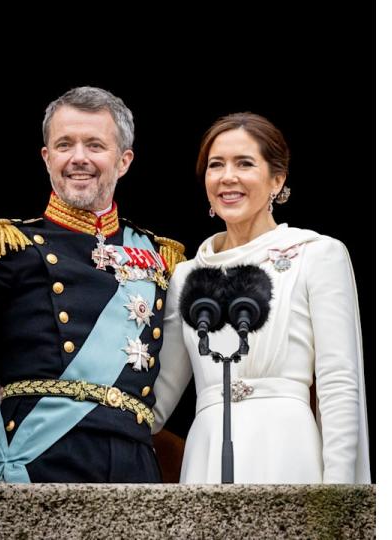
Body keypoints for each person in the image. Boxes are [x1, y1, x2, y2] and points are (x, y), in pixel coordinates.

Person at [0, 86, 186, 483]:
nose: (78, 157)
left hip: (135, 464)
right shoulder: (8, 246)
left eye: (95, 145)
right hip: (41, 459)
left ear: (123, 161)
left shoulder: (162, 257)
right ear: (47, 158)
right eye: (64, 144)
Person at [152, 112, 370, 484]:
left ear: (277, 179)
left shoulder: (317, 254)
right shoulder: (186, 274)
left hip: (287, 446)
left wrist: (341, 495)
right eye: (215, 165)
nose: (227, 177)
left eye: (245, 164)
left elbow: (339, 383)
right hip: (207, 453)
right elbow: (156, 401)